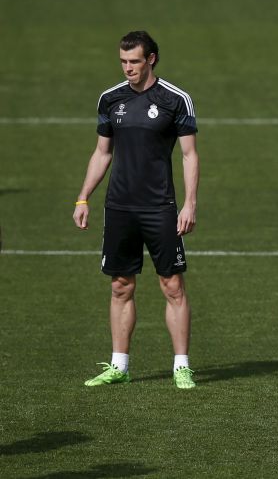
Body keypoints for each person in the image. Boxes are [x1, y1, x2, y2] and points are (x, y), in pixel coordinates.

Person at [73, 31, 199, 389]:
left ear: (152, 59)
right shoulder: (111, 99)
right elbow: (102, 153)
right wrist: (83, 197)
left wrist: (189, 203)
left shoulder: (176, 99)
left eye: (134, 62)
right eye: (123, 62)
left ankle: (181, 366)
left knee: (172, 285)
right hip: (119, 207)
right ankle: (119, 365)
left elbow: (189, 155)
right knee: (120, 285)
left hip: (160, 207)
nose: (128, 68)